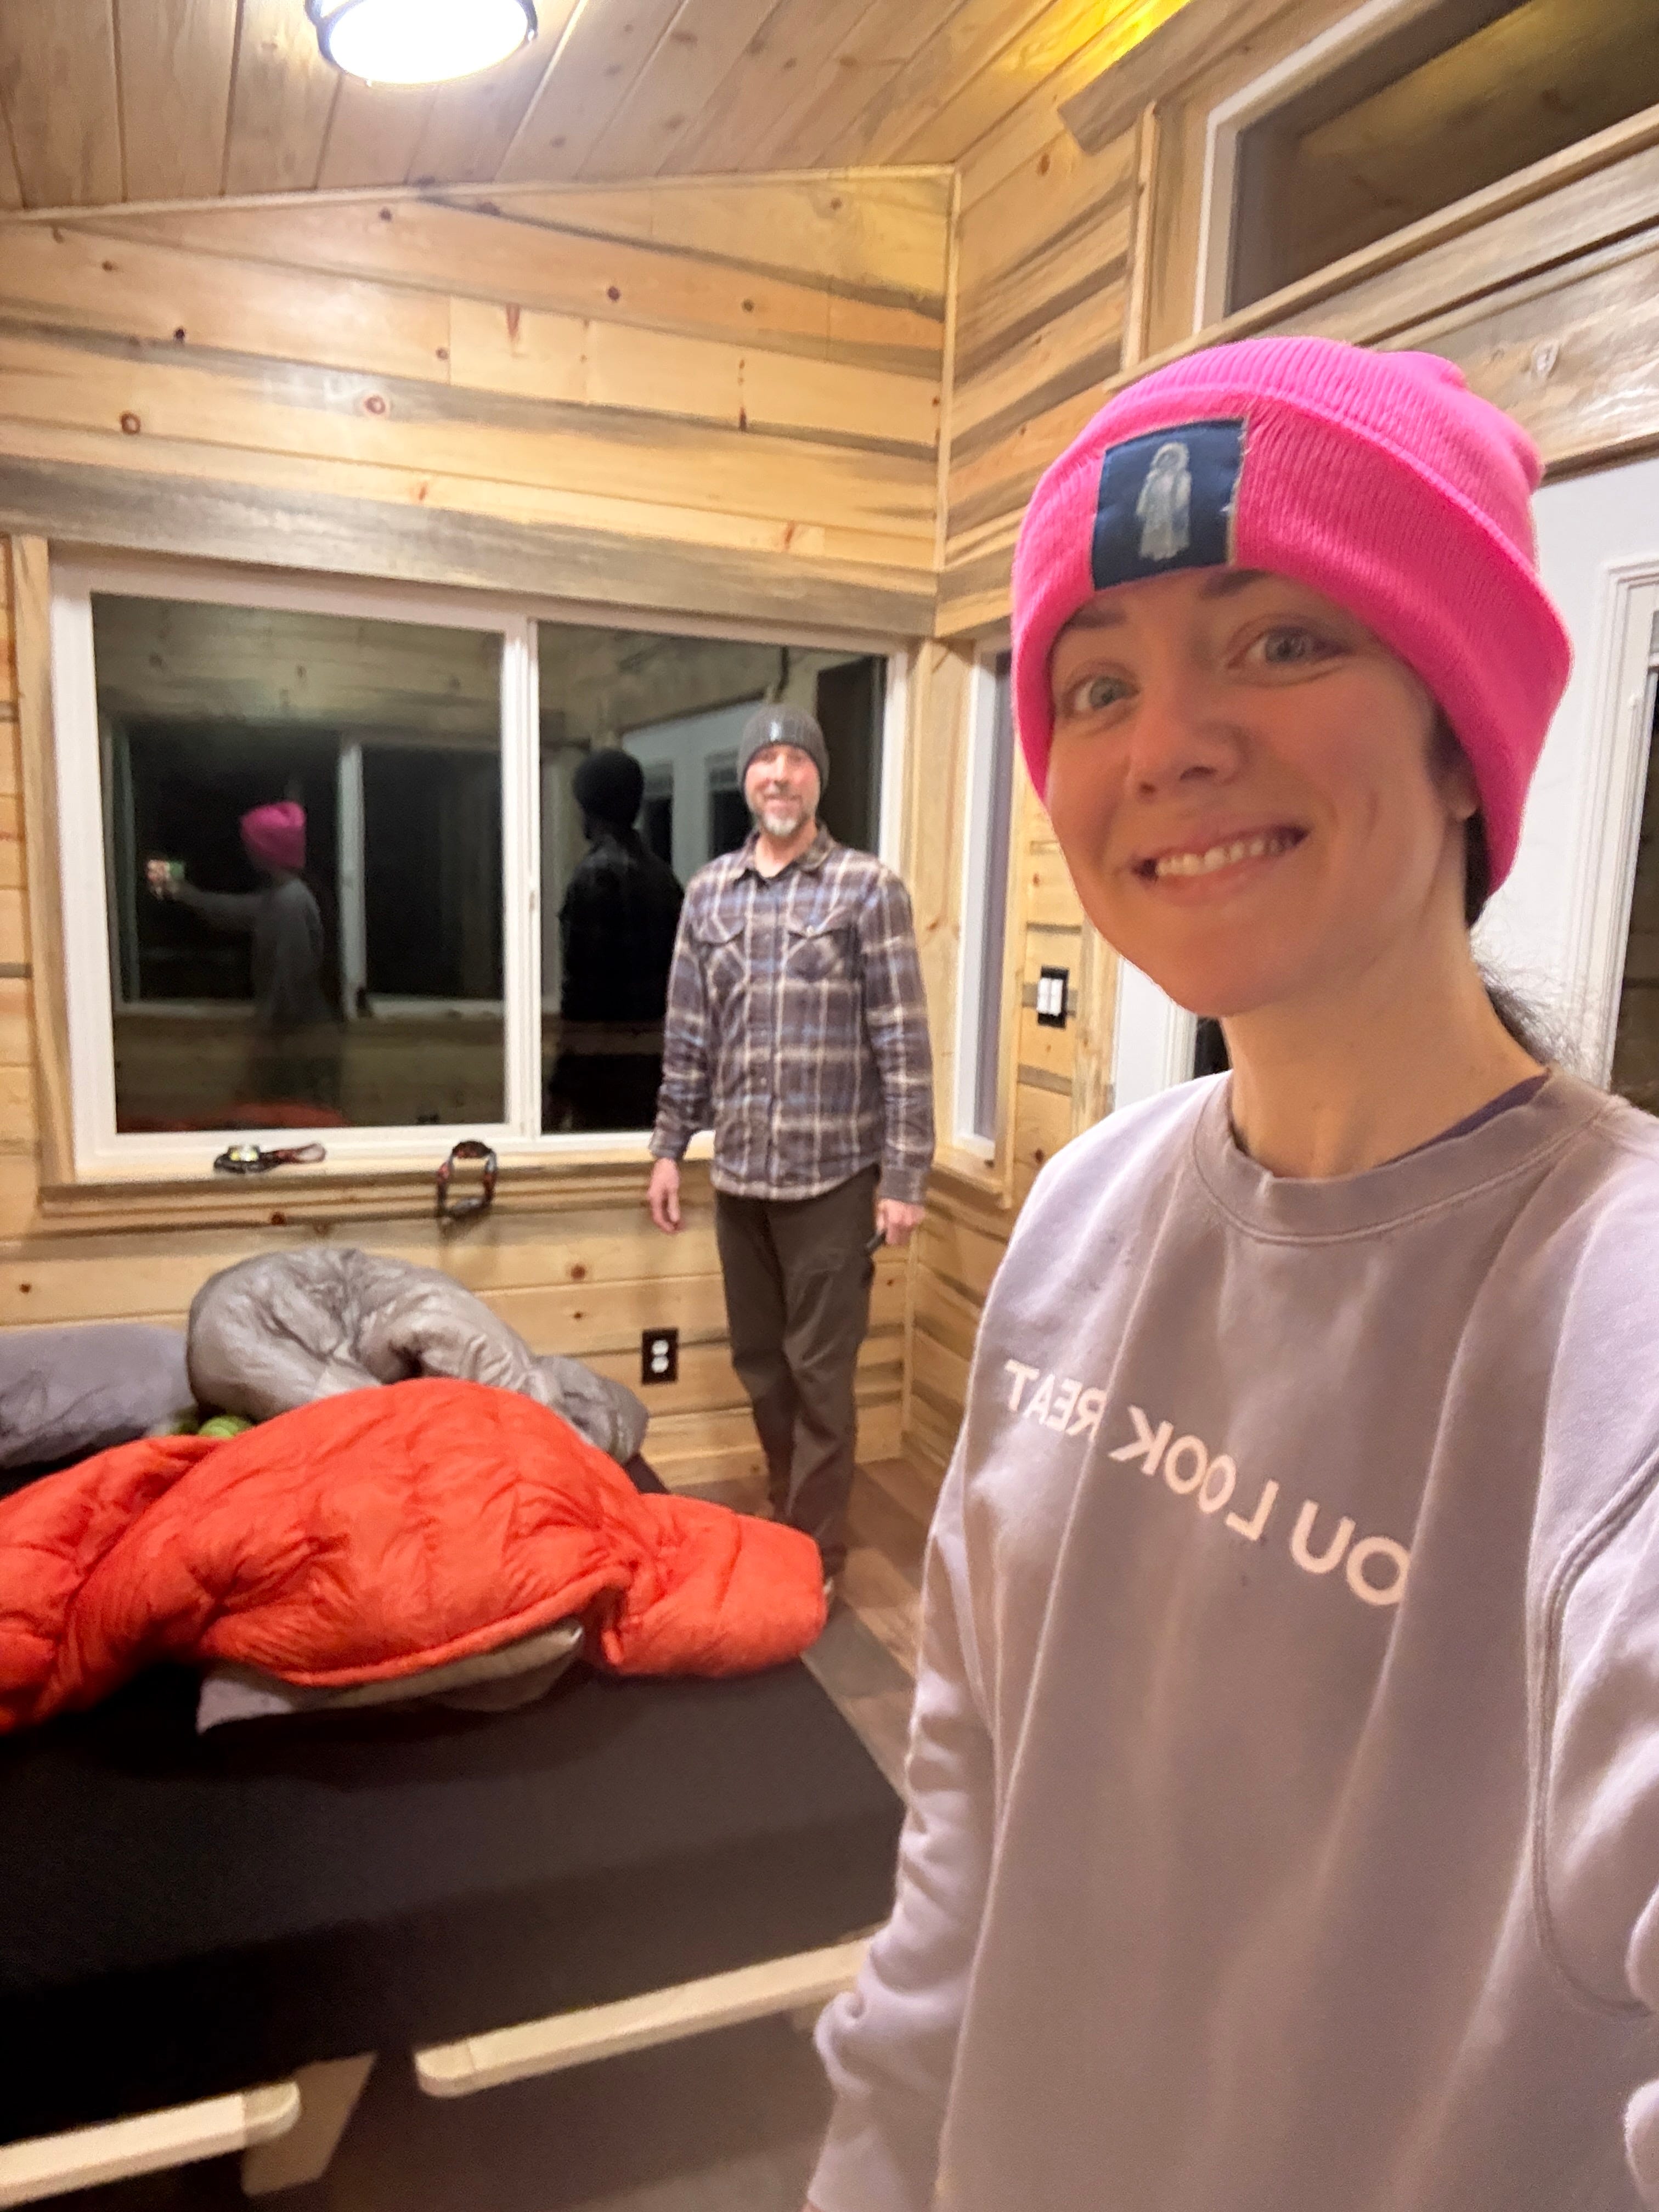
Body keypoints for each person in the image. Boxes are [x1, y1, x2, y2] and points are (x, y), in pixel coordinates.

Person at [805, 336, 1659, 2212]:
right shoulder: (1083, 1212)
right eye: (1098, 682)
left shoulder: (1623, 1331)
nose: (1167, 744)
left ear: (1463, 734)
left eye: (1279, 640)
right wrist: (871, 2152)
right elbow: (969, 1787)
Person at [648, 703, 934, 1594]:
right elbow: (688, 1034)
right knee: (761, 1367)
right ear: (747, 779)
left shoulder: (867, 889)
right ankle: (787, 1508)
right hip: (740, 1179)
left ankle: (814, 1557)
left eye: (796, 760)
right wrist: (668, 1146)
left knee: (819, 1373)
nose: (779, 774)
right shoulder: (708, 894)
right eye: (764, 761)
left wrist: (905, 1175)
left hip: (833, 1183)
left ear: (818, 777)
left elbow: (902, 1040)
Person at [155, 800, 339, 1114]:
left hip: (300, 1040)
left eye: (252, 843)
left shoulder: (290, 903)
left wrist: (264, 1040)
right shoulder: (280, 897)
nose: (247, 850)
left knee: (297, 1121)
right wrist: (182, 892)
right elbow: (230, 911)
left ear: (267, 850)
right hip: (294, 1036)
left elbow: (289, 982)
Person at [546, 746, 684, 1131]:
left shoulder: (593, 879)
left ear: (588, 807)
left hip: (603, 1084)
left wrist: (558, 1095)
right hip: (657, 1078)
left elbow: (582, 1002)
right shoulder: (665, 881)